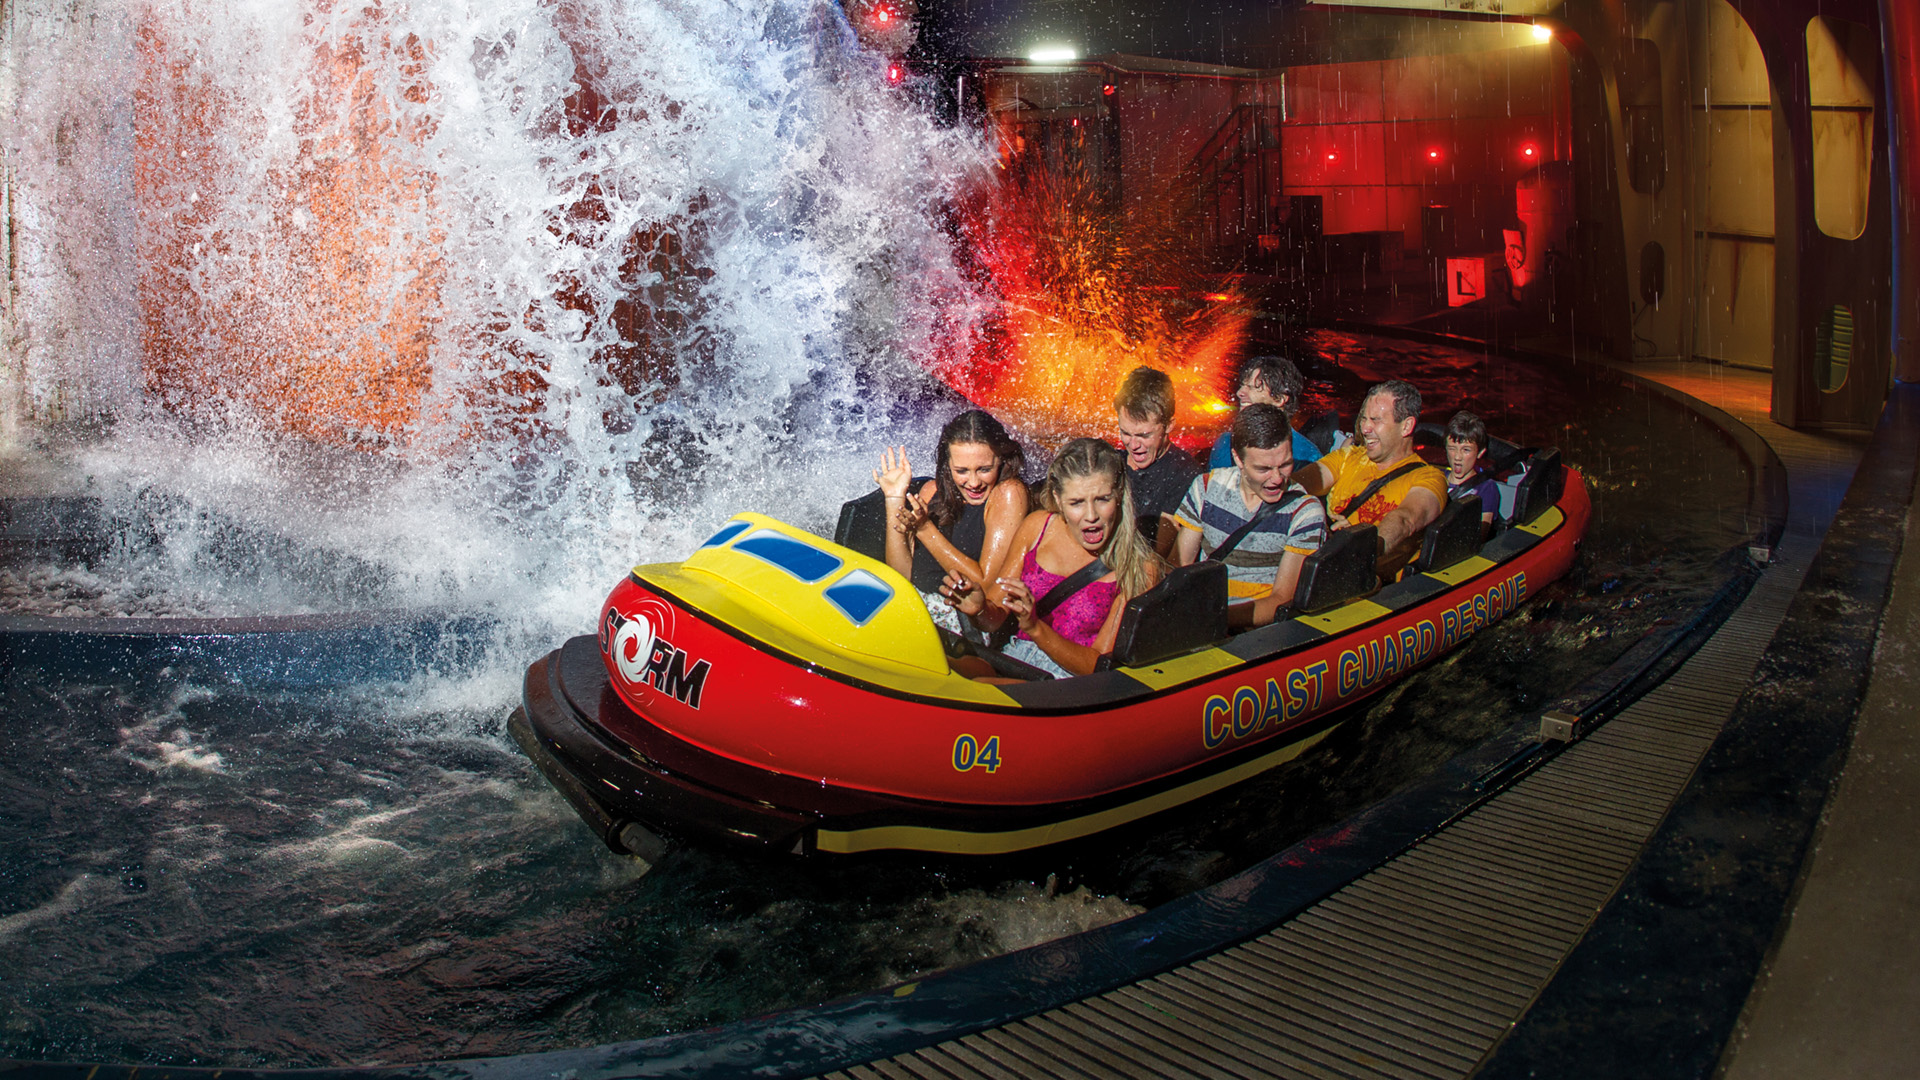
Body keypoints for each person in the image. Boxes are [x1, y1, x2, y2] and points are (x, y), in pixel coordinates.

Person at [943, 438, 1162, 678]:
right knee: (944, 668)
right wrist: (979, 609)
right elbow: (993, 619)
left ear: (1118, 494)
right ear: (1058, 498)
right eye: (1076, 503)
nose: (1091, 516)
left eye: (1102, 499)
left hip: (1068, 686)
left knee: (980, 687)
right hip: (1015, 662)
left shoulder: (1139, 567)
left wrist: (1035, 627)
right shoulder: (1038, 527)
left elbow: (1098, 666)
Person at [1172, 404, 1329, 628]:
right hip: (1200, 614)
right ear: (1238, 459)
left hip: (1256, 632)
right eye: (1263, 469)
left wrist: (1212, 619)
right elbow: (1180, 564)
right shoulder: (1206, 488)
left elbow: (1282, 600)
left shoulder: (1304, 513)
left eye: (1285, 465)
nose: (1277, 479)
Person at [872, 411, 1029, 629]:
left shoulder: (1009, 493)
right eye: (962, 471)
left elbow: (984, 585)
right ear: (948, 465)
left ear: (1001, 459)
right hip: (912, 609)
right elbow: (901, 575)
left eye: (984, 469)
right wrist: (894, 498)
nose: (974, 483)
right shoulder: (931, 491)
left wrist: (925, 529)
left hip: (958, 629)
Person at [1295, 379, 1446, 581]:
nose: (1365, 428)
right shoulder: (1348, 457)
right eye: (1364, 418)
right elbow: (1302, 482)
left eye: (1376, 420)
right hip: (1324, 568)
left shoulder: (1429, 477)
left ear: (1406, 426)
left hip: (1372, 584)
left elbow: (1405, 519)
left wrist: (1360, 542)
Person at [1113, 365, 1202, 553]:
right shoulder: (1111, 462)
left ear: (1169, 425)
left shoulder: (1185, 473)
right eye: (1125, 433)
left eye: (1144, 435)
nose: (1133, 445)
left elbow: (1160, 551)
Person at [1207, 352, 1324, 471]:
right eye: (1242, 385)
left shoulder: (1306, 457)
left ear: (1279, 399)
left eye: (1252, 387)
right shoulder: (1226, 443)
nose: (1240, 393)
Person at [1444, 410, 1500, 536]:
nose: (1457, 457)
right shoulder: (1436, 478)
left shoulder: (1486, 488)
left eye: (1466, 450)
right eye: (1452, 449)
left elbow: (1480, 534)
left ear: (1479, 453)